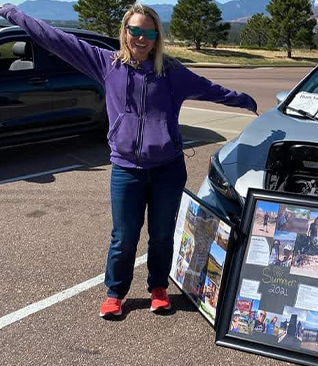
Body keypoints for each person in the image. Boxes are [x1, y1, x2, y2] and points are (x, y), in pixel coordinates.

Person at [0, 3, 257, 319]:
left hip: (167, 168)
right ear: (125, 32)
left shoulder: (171, 72)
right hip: (126, 169)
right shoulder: (106, 64)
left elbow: (210, 89)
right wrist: (11, 12)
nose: (141, 38)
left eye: (149, 32)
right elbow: (55, 38)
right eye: (135, 30)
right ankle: (115, 293)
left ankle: (159, 288)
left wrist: (244, 100)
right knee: (124, 236)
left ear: (156, 37)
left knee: (162, 233)